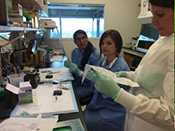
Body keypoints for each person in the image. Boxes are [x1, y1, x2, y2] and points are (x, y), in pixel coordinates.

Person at [85, 0, 174, 131]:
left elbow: (171, 116)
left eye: (160, 15)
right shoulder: (163, 39)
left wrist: (118, 93)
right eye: (152, 14)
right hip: (135, 118)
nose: (154, 22)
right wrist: (129, 75)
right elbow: (147, 76)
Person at [66, 29, 130, 131]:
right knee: (80, 118)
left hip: (112, 108)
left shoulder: (120, 67)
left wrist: (93, 80)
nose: (104, 46)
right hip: (98, 102)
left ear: (117, 46)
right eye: (103, 43)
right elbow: (94, 80)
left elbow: (114, 96)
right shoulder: (103, 61)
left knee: (83, 122)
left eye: (109, 43)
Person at [65, 29, 100, 104]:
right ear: (75, 42)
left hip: (88, 86)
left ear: (87, 39)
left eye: (83, 38)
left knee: (69, 96)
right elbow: (74, 70)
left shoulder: (94, 54)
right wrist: (70, 67)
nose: (81, 41)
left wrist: (78, 72)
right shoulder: (75, 52)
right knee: (62, 89)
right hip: (77, 82)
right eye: (78, 39)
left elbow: (95, 78)